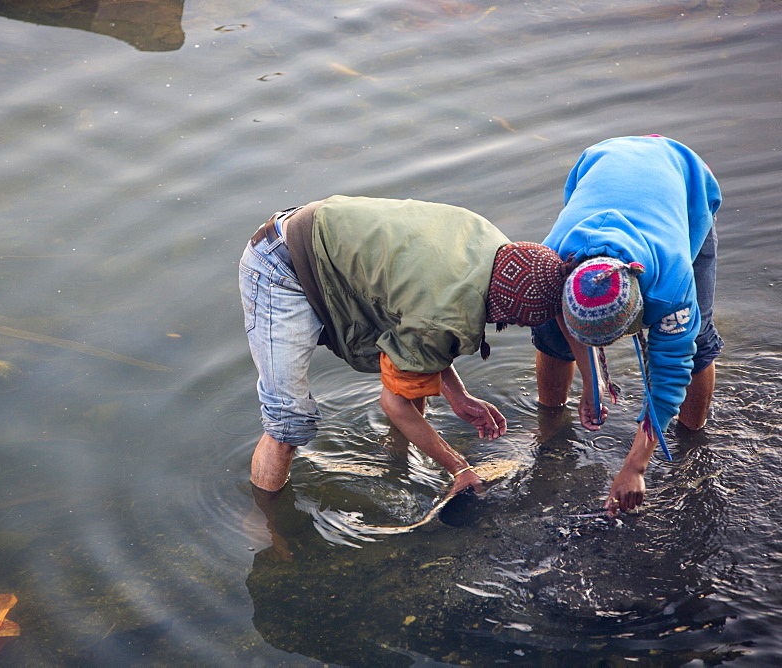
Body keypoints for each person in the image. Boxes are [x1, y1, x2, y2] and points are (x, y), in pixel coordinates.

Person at [239, 195, 570, 496]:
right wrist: (460, 468)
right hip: (280, 268)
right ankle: (269, 529)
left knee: (413, 379)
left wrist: (458, 396)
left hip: (327, 238)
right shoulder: (442, 315)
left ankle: (396, 463)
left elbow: (425, 334)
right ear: (504, 309)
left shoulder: (495, 247)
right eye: (513, 321)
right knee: (288, 422)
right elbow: (397, 396)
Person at [531, 136, 723, 516]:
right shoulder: (553, 260)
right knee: (551, 337)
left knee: (696, 344)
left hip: (685, 185)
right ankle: (549, 427)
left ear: (642, 309)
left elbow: (671, 374)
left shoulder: (671, 284)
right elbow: (560, 319)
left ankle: (691, 441)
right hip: (601, 161)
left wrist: (635, 467)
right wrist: (593, 384)